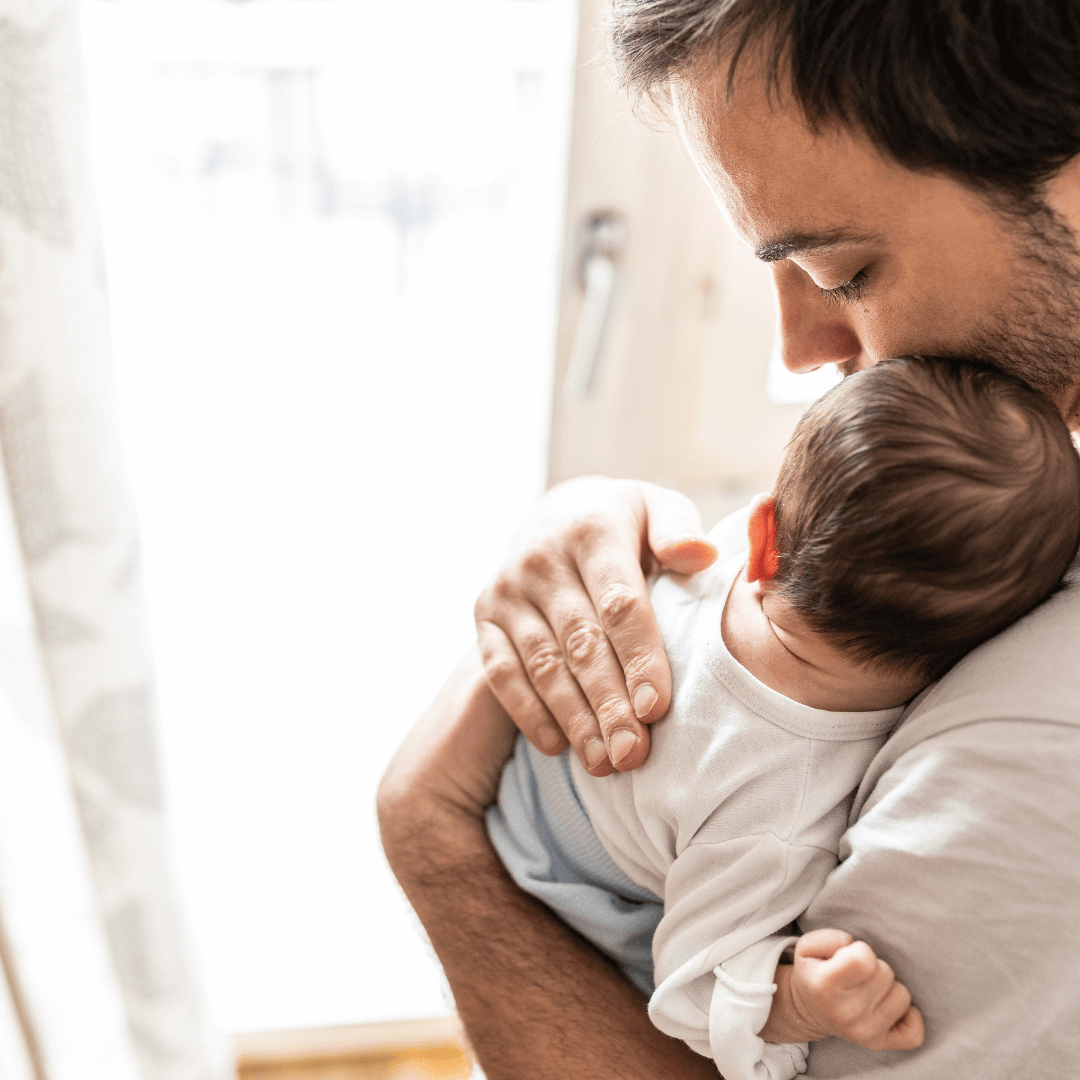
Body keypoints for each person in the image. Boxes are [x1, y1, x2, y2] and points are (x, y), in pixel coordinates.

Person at [378, 1, 1080, 1077]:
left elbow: (709, 995)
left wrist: (431, 830)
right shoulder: (1006, 469)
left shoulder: (1042, 749)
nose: (799, 348)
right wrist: (606, 530)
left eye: (845, 271)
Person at [485, 356, 1080, 1080]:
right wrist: (793, 997)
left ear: (767, 531)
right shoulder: (780, 813)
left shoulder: (719, 552)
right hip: (558, 874)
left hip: (528, 764)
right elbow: (689, 989)